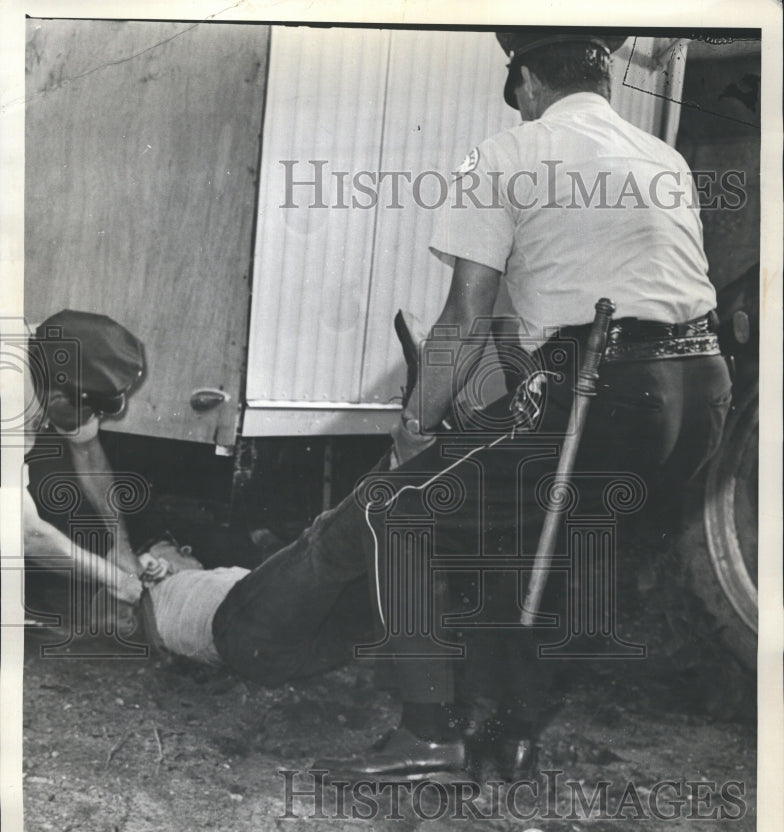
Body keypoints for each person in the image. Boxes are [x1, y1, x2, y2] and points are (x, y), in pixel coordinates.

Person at [152, 31, 734, 781]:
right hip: (704, 393)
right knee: (551, 537)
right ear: (608, 77)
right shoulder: (664, 159)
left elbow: (463, 318)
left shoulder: (505, 154)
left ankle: (430, 736)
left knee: (396, 515)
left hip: (605, 387)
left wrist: (415, 429)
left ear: (522, 81)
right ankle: (512, 729)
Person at [24, 310, 147, 609]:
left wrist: (121, 545)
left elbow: (89, 455)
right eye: (90, 414)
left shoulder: (66, 357)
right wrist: (115, 579)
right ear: (56, 398)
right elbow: (24, 532)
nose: (90, 423)